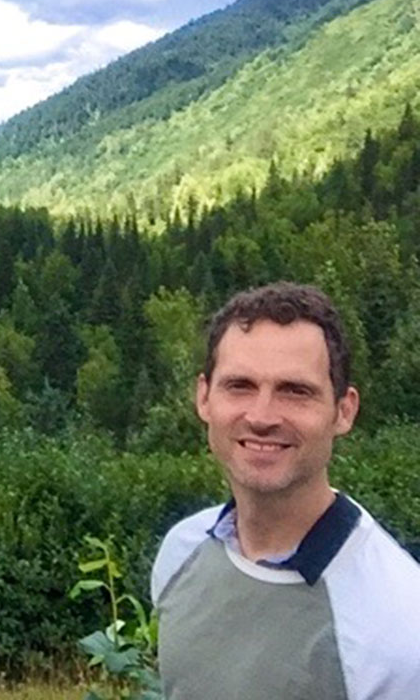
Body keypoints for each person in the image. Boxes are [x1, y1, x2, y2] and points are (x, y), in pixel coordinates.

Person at [151, 282, 420, 699]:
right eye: (239, 385)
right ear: (204, 398)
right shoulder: (180, 554)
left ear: (343, 411)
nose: (261, 416)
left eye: (295, 391)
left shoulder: (399, 624)